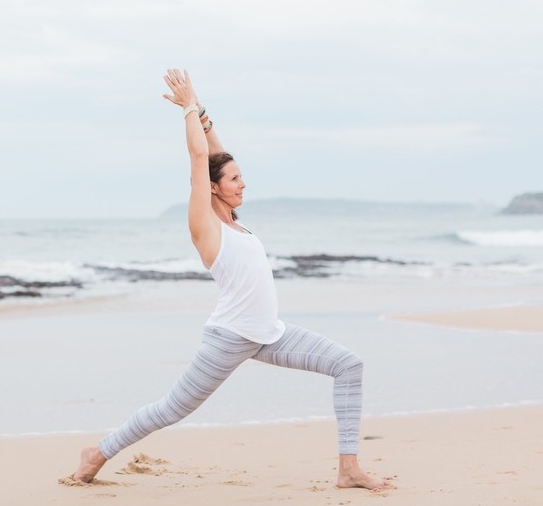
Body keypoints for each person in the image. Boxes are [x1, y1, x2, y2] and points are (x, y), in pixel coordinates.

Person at [71, 69, 392, 491]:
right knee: (171, 409)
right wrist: (186, 108)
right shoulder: (206, 224)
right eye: (236, 181)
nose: (244, 184)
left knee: (349, 365)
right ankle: (97, 452)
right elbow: (201, 160)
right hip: (229, 337)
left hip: (270, 334)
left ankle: (348, 468)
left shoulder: (235, 222)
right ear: (215, 190)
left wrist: (201, 108)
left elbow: (217, 156)